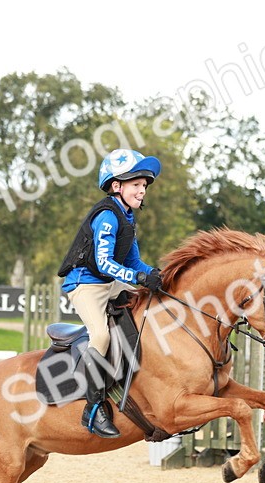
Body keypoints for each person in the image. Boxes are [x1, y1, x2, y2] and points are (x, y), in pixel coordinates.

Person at [58, 149, 164, 438]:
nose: (142, 190)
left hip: (110, 281)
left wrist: (155, 275)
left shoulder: (128, 217)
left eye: (144, 185)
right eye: (136, 185)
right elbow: (105, 263)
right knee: (101, 335)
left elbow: (133, 263)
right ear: (116, 186)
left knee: (152, 303)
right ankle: (93, 407)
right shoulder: (107, 216)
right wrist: (137, 277)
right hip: (85, 284)